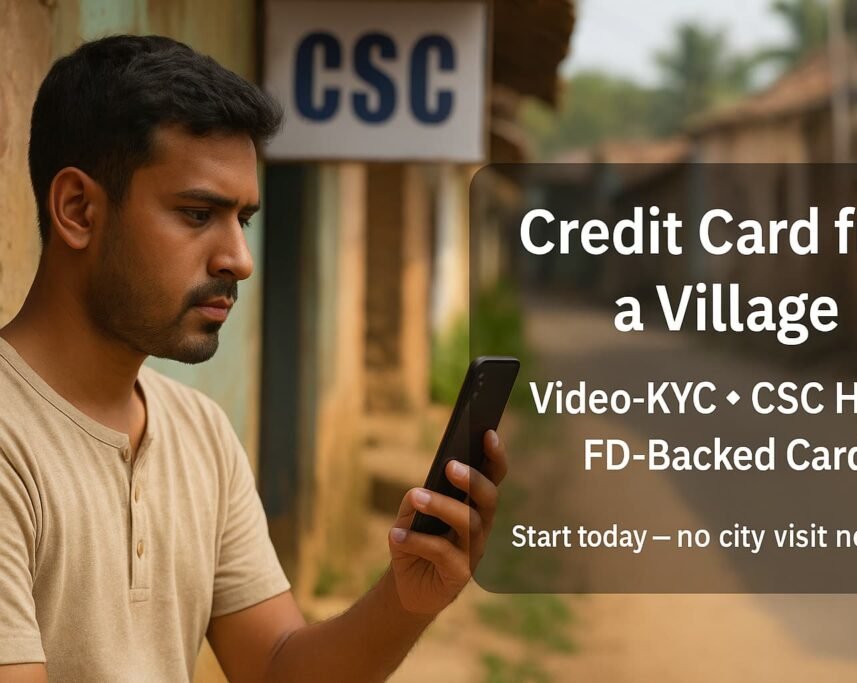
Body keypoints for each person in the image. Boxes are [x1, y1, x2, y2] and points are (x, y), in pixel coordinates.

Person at [0, 34, 506, 682]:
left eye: (243, 220)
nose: (238, 259)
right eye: (197, 213)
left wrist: (408, 599)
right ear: (78, 210)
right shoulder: (13, 438)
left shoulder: (201, 432)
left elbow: (275, 665)